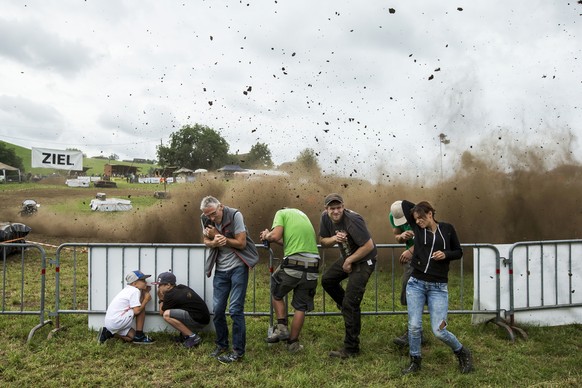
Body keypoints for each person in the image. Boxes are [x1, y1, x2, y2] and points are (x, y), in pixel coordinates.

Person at [399, 200, 474, 374]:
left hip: (438, 287)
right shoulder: (418, 229)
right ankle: (415, 361)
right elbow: (404, 204)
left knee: (439, 330)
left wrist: (446, 254)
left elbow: (459, 251)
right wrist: (418, 210)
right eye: (416, 218)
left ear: (431, 214)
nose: (418, 221)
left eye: (421, 217)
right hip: (416, 284)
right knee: (414, 326)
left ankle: (462, 352)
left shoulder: (447, 229)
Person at [200, 196, 259, 364]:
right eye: (208, 215)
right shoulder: (204, 217)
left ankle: (238, 352)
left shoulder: (235, 215)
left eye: (213, 214)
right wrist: (213, 243)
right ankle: (221, 344)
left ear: (221, 207)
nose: (211, 218)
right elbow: (206, 240)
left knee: (235, 309)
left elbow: (241, 243)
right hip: (220, 269)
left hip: (238, 267)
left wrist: (220, 237)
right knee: (218, 310)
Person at [319, 193, 377, 359]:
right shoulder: (325, 218)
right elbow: (323, 240)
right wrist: (334, 238)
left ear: (343, 207)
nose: (336, 211)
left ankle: (351, 349)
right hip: (348, 257)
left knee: (351, 304)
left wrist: (349, 260)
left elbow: (368, 246)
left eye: (339, 208)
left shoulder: (353, 220)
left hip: (365, 260)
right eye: (332, 208)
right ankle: (346, 305)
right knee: (327, 280)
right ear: (326, 209)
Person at [259, 207, 320, 353]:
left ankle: (281, 328)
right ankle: (293, 344)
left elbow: (275, 236)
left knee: (276, 293)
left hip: (293, 264)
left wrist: (267, 235)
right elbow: (289, 242)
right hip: (313, 266)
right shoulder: (303, 215)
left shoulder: (281, 213)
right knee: (300, 307)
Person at [153, 271, 211, 349]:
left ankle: (193, 337)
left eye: (160, 285)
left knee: (166, 314)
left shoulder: (170, 295)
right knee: (176, 311)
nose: (158, 287)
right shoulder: (181, 287)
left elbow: (161, 312)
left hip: (199, 321)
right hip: (203, 317)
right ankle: (185, 336)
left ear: (168, 285)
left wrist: (161, 299)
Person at [97, 270, 155, 344]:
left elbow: (137, 304)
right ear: (134, 283)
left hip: (112, 322)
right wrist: (146, 300)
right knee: (141, 308)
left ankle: (108, 333)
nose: (146, 282)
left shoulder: (129, 289)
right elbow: (137, 311)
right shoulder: (134, 291)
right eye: (143, 280)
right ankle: (139, 335)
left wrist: (144, 292)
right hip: (117, 321)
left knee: (131, 338)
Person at [389, 200, 416, 347]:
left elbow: (430, 238)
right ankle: (414, 331)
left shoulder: (420, 214)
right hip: (412, 260)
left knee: (413, 292)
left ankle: (415, 332)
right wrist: (402, 237)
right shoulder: (393, 215)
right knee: (409, 291)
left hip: (423, 257)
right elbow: (397, 236)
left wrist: (411, 250)